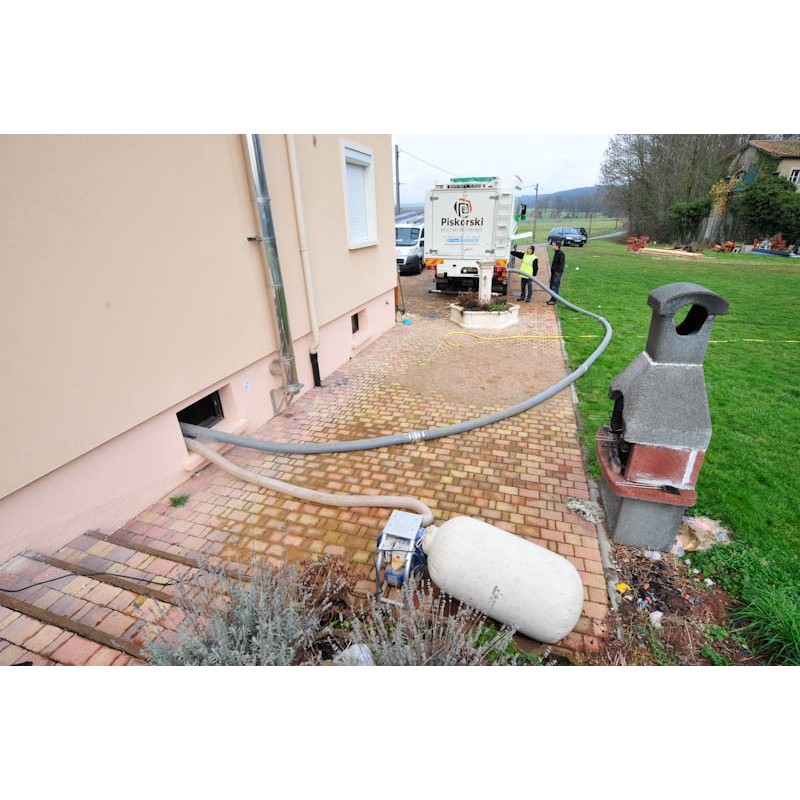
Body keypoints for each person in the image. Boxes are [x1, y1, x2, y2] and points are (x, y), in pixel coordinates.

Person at [546, 238, 565, 305]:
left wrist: (557, 273)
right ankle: (552, 299)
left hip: (556, 273)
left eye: (553, 245)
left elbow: (561, 265)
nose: (552, 246)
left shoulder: (561, 254)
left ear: (557, 246)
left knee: (554, 286)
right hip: (554, 273)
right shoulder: (556, 253)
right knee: (552, 286)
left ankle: (553, 300)